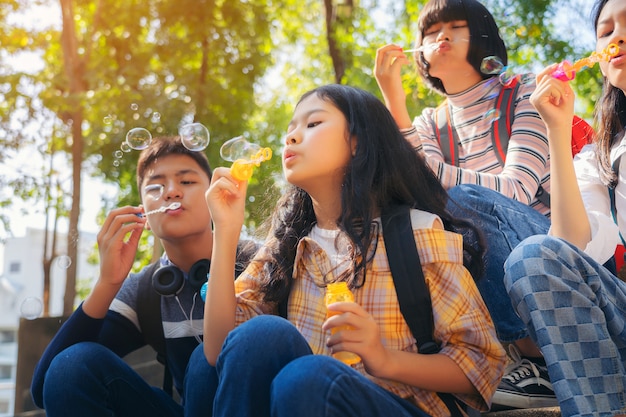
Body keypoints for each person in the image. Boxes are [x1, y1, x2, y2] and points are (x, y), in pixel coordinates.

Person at [201, 84, 506, 417]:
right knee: (256, 338)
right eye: (289, 130)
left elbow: (482, 364)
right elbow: (220, 350)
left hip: (401, 407)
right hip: (303, 399)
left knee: (308, 377)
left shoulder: (416, 232)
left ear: (358, 143)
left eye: (313, 124)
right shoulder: (285, 249)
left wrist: (383, 358)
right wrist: (226, 231)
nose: (291, 137)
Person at [374, 0, 558, 409]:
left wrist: (432, 171)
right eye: (431, 32)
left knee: (460, 200)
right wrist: (394, 103)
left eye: (456, 26)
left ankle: (535, 359)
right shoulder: (427, 124)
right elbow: (413, 190)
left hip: (545, 248)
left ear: (484, 40)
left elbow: (517, 188)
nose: (441, 36)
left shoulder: (524, 91)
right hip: (477, 261)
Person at [30, 136, 257, 417]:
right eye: (155, 187)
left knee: (204, 360)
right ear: (144, 214)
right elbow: (50, 384)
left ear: (217, 194)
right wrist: (107, 283)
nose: (171, 192)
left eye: (186, 182)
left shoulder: (260, 262)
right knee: (73, 364)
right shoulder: (144, 292)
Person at [503, 0, 626, 415]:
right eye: (606, 31)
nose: (617, 37)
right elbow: (572, 246)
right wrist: (556, 128)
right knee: (533, 257)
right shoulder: (602, 157)